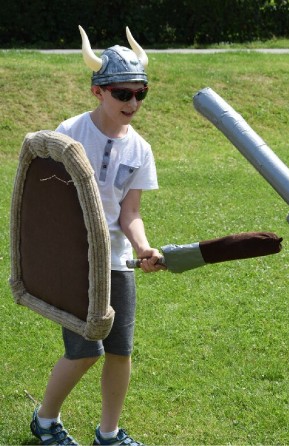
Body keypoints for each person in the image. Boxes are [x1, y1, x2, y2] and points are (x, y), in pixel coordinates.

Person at [30, 26, 164, 446]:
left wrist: (142, 246)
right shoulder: (69, 133)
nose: (133, 102)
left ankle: (108, 434)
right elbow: (48, 199)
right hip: (75, 261)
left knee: (120, 351)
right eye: (122, 93)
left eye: (140, 93)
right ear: (97, 92)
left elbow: (131, 212)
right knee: (86, 351)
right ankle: (45, 421)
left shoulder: (140, 149)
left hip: (118, 260)